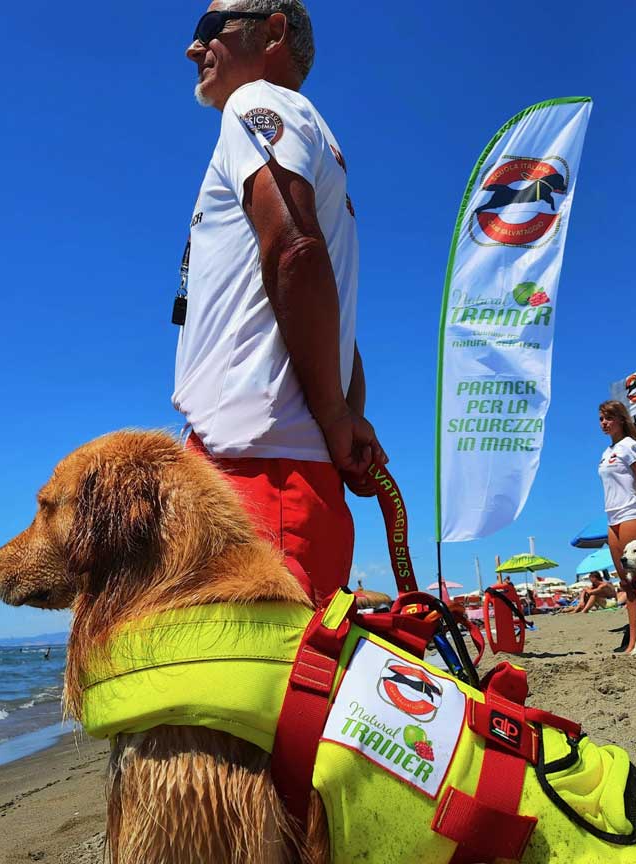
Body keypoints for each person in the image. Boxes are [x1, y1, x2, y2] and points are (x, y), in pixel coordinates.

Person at [174, 1, 385, 607]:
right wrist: (344, 417)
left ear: (272, 30)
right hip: (286, 467)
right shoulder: (311, 132)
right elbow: (326, 301)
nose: (193, 48)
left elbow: (293, 252)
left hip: (256, 471)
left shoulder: (253, 103)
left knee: (249, 689)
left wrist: (336, 418)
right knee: (287, 685)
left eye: (209, 29)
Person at [597, 400, 636, 654]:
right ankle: (635, 639)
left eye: (608, 418)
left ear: (621, 419)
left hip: (634, 513)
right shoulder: (607, 451)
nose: (603, 423)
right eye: (601, 419)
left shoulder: (630, 447)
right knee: (626, 583)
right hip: (613, 518)